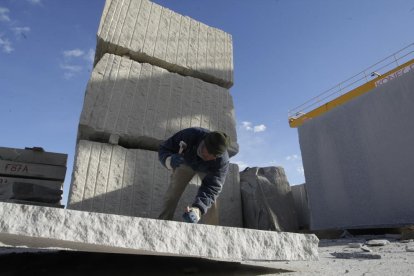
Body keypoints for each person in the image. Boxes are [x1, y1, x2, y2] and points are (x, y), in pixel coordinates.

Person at [158, 127, 230, 224]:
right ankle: (163, 223)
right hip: (185, 162)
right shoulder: (190, 135)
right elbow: (164, 148)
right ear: (203, 143)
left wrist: (198, 209)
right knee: (173, 192)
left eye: (215, 155)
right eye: (209, 152)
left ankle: (211, 232)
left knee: (213, 203)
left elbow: (212, 188)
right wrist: (168, 160)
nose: (210, 157)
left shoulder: (221, 161)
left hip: (207, 170)